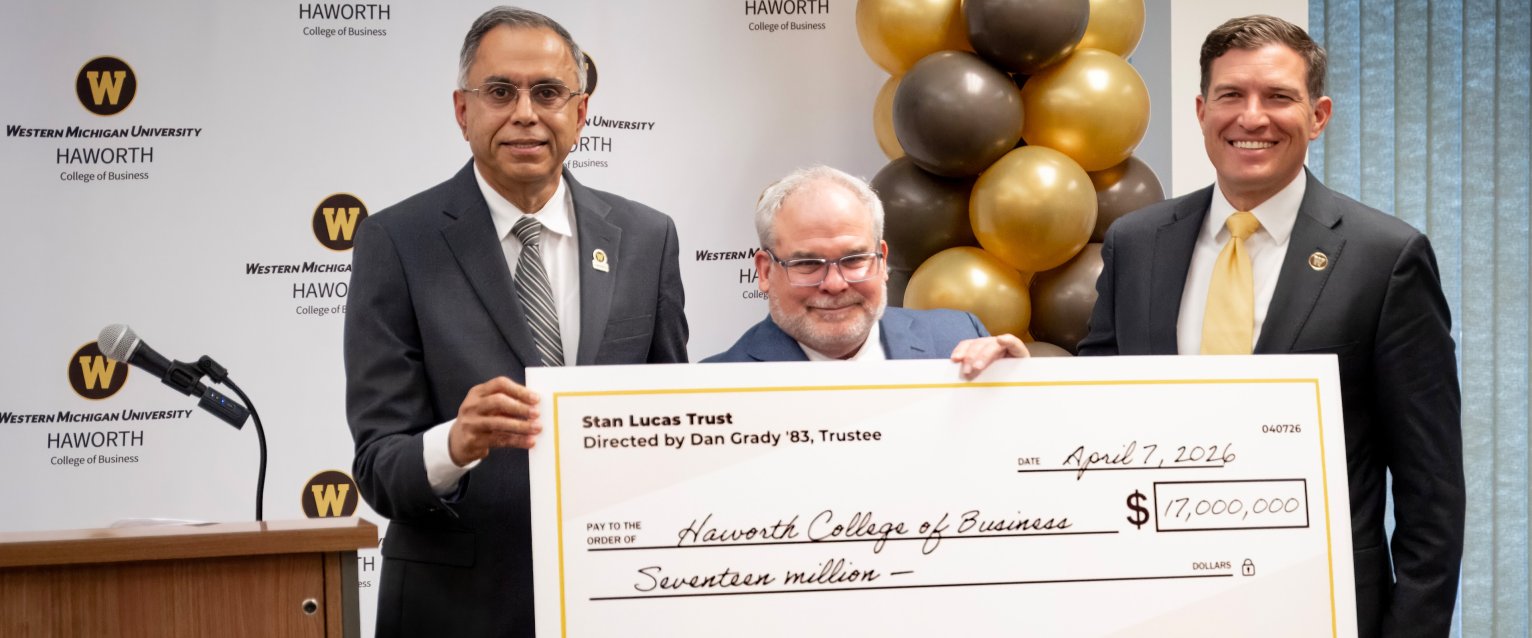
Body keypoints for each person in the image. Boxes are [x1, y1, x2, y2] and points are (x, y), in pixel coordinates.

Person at [1078, 15, 1463, 637]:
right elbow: (1093, 411)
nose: (1251, 118)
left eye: (1279, 96)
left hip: (1323, 609)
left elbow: (1431, 490)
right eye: (1231, 95)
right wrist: (1013, 382)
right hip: (1157, 604)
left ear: (1319, 115)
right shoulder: (1137, 243)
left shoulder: (1384, 257)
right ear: (1202, 110)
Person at [342, 6, 687, 636]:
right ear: (462, 111)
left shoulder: (647, 238)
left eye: (548, 92)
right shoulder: (396, 241)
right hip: (453, 606)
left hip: (614, 596)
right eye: (500, 91)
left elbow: (669, 429)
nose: (525, 112)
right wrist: (455, 443)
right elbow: (377, 467)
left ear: (580, 113)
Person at [706, 166, 1025, 370]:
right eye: (807, 263)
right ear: (765, 272)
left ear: (883, 260)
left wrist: (1025, 391)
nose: (834, 283)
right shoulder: (711, 389)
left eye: (854, 259)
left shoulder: (956, 340)